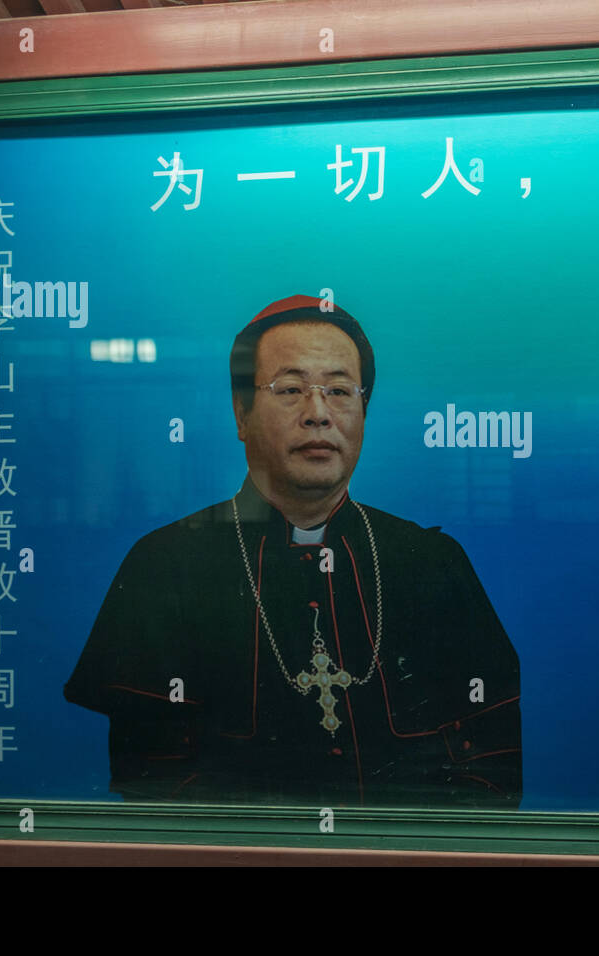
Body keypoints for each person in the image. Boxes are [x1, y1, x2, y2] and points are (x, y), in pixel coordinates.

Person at [64, 295, 522, 808]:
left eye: (340, 390)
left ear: (363, 412)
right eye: (290, 389)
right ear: (242, 414)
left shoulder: (435, 563)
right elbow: (153, 782)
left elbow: (491, 768)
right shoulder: (165, 564)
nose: (319, 414)